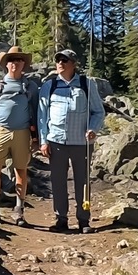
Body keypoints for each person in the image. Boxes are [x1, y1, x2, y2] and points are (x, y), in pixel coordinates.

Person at [38, 49, 105, 233]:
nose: (60, 63)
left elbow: (99, 111)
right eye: (58, 60)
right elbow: (42, 117)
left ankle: (84, 220)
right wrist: (43, 141)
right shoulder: (49, 86)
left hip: (82, 144)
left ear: (73, 63)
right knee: (58, 181)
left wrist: (93, 129)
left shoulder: (86, 84)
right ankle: (61, 219)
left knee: (83, 182)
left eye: (64, 60)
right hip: (56, 142)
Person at [0, 46, 39, 225]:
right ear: (6, 64)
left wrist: (37, 138)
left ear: (24, 64)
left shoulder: (30, 86)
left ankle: (19, 209)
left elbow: (36, 111)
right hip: (0, 131)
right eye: (11, 60)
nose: (15, 63)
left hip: (23, 132)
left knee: (21, 170)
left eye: (19, 60)